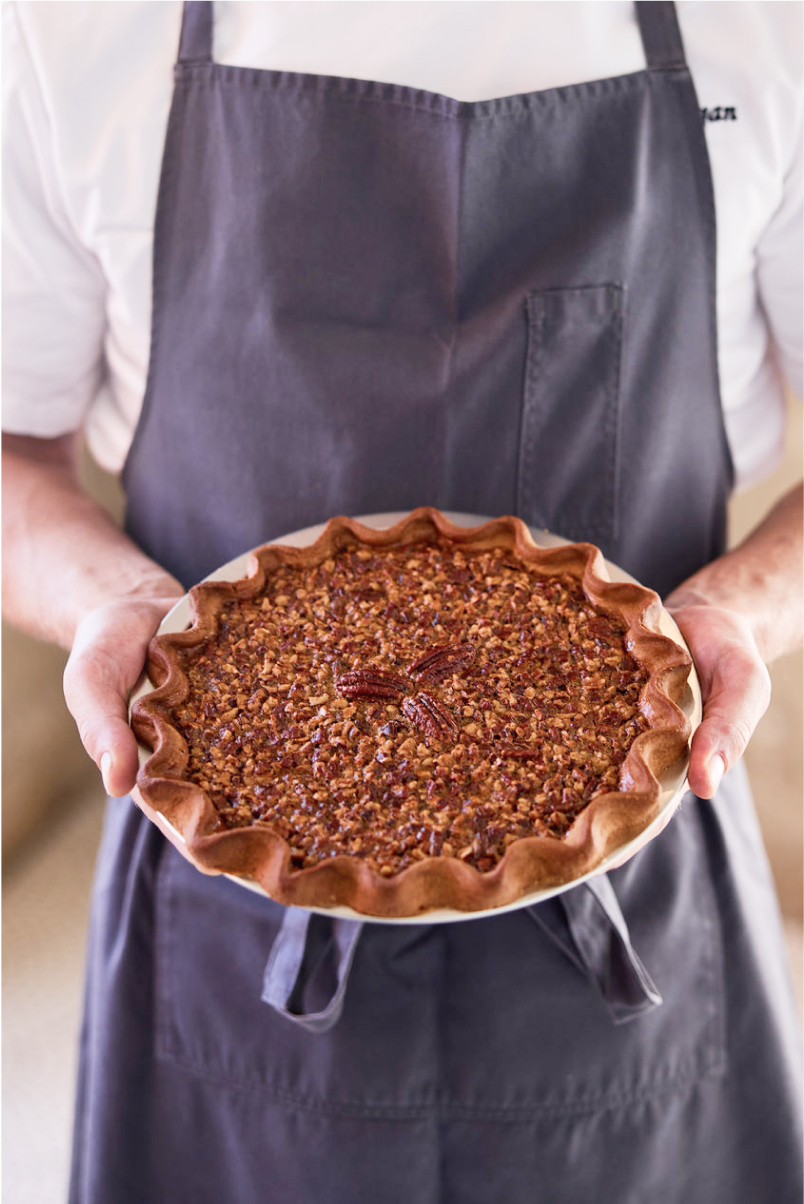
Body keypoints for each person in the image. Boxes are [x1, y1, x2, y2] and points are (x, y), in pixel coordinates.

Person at [3, 2, 802, 1201]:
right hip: (221, 907)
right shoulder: (72, 27)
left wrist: (738, 608)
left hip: (635, 877)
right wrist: (116, 601)